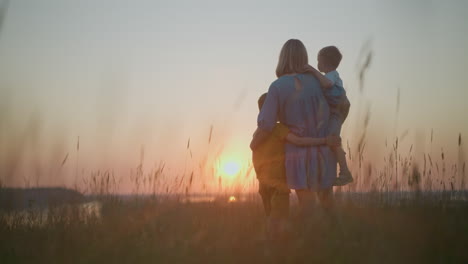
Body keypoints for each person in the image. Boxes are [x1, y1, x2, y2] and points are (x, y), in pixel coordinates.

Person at [251, 39, 340, 218]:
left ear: (282, 58)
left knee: (307, 207)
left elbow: (267, 124)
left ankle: (311, 242)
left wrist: (254, 144)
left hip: (298, 155)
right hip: (324, 149)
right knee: (328, 206)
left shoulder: (277, 86)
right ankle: (336, 241)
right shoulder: (319, 82)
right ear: (304, 57)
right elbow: (340, 102)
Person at [252, 92, 340, 239]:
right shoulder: (277, 128)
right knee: (279, 223)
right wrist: (325, 140)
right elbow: (298, 141)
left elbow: (253, 148)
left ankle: (268, 248)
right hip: (278, 183)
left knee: (270, 219)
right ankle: (278, 250)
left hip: (263, 183)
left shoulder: (259, 131)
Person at [302, 46, 353, 186]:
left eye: (318, 60)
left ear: (325, 62)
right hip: (337, 111)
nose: (317, 64)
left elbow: (327, 84)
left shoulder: (332, 75)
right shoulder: (330, 75)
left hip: (338, 110)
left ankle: (345, 173)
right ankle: (341, 164)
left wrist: (312, 70)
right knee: (333, 140)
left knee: (333, 139)